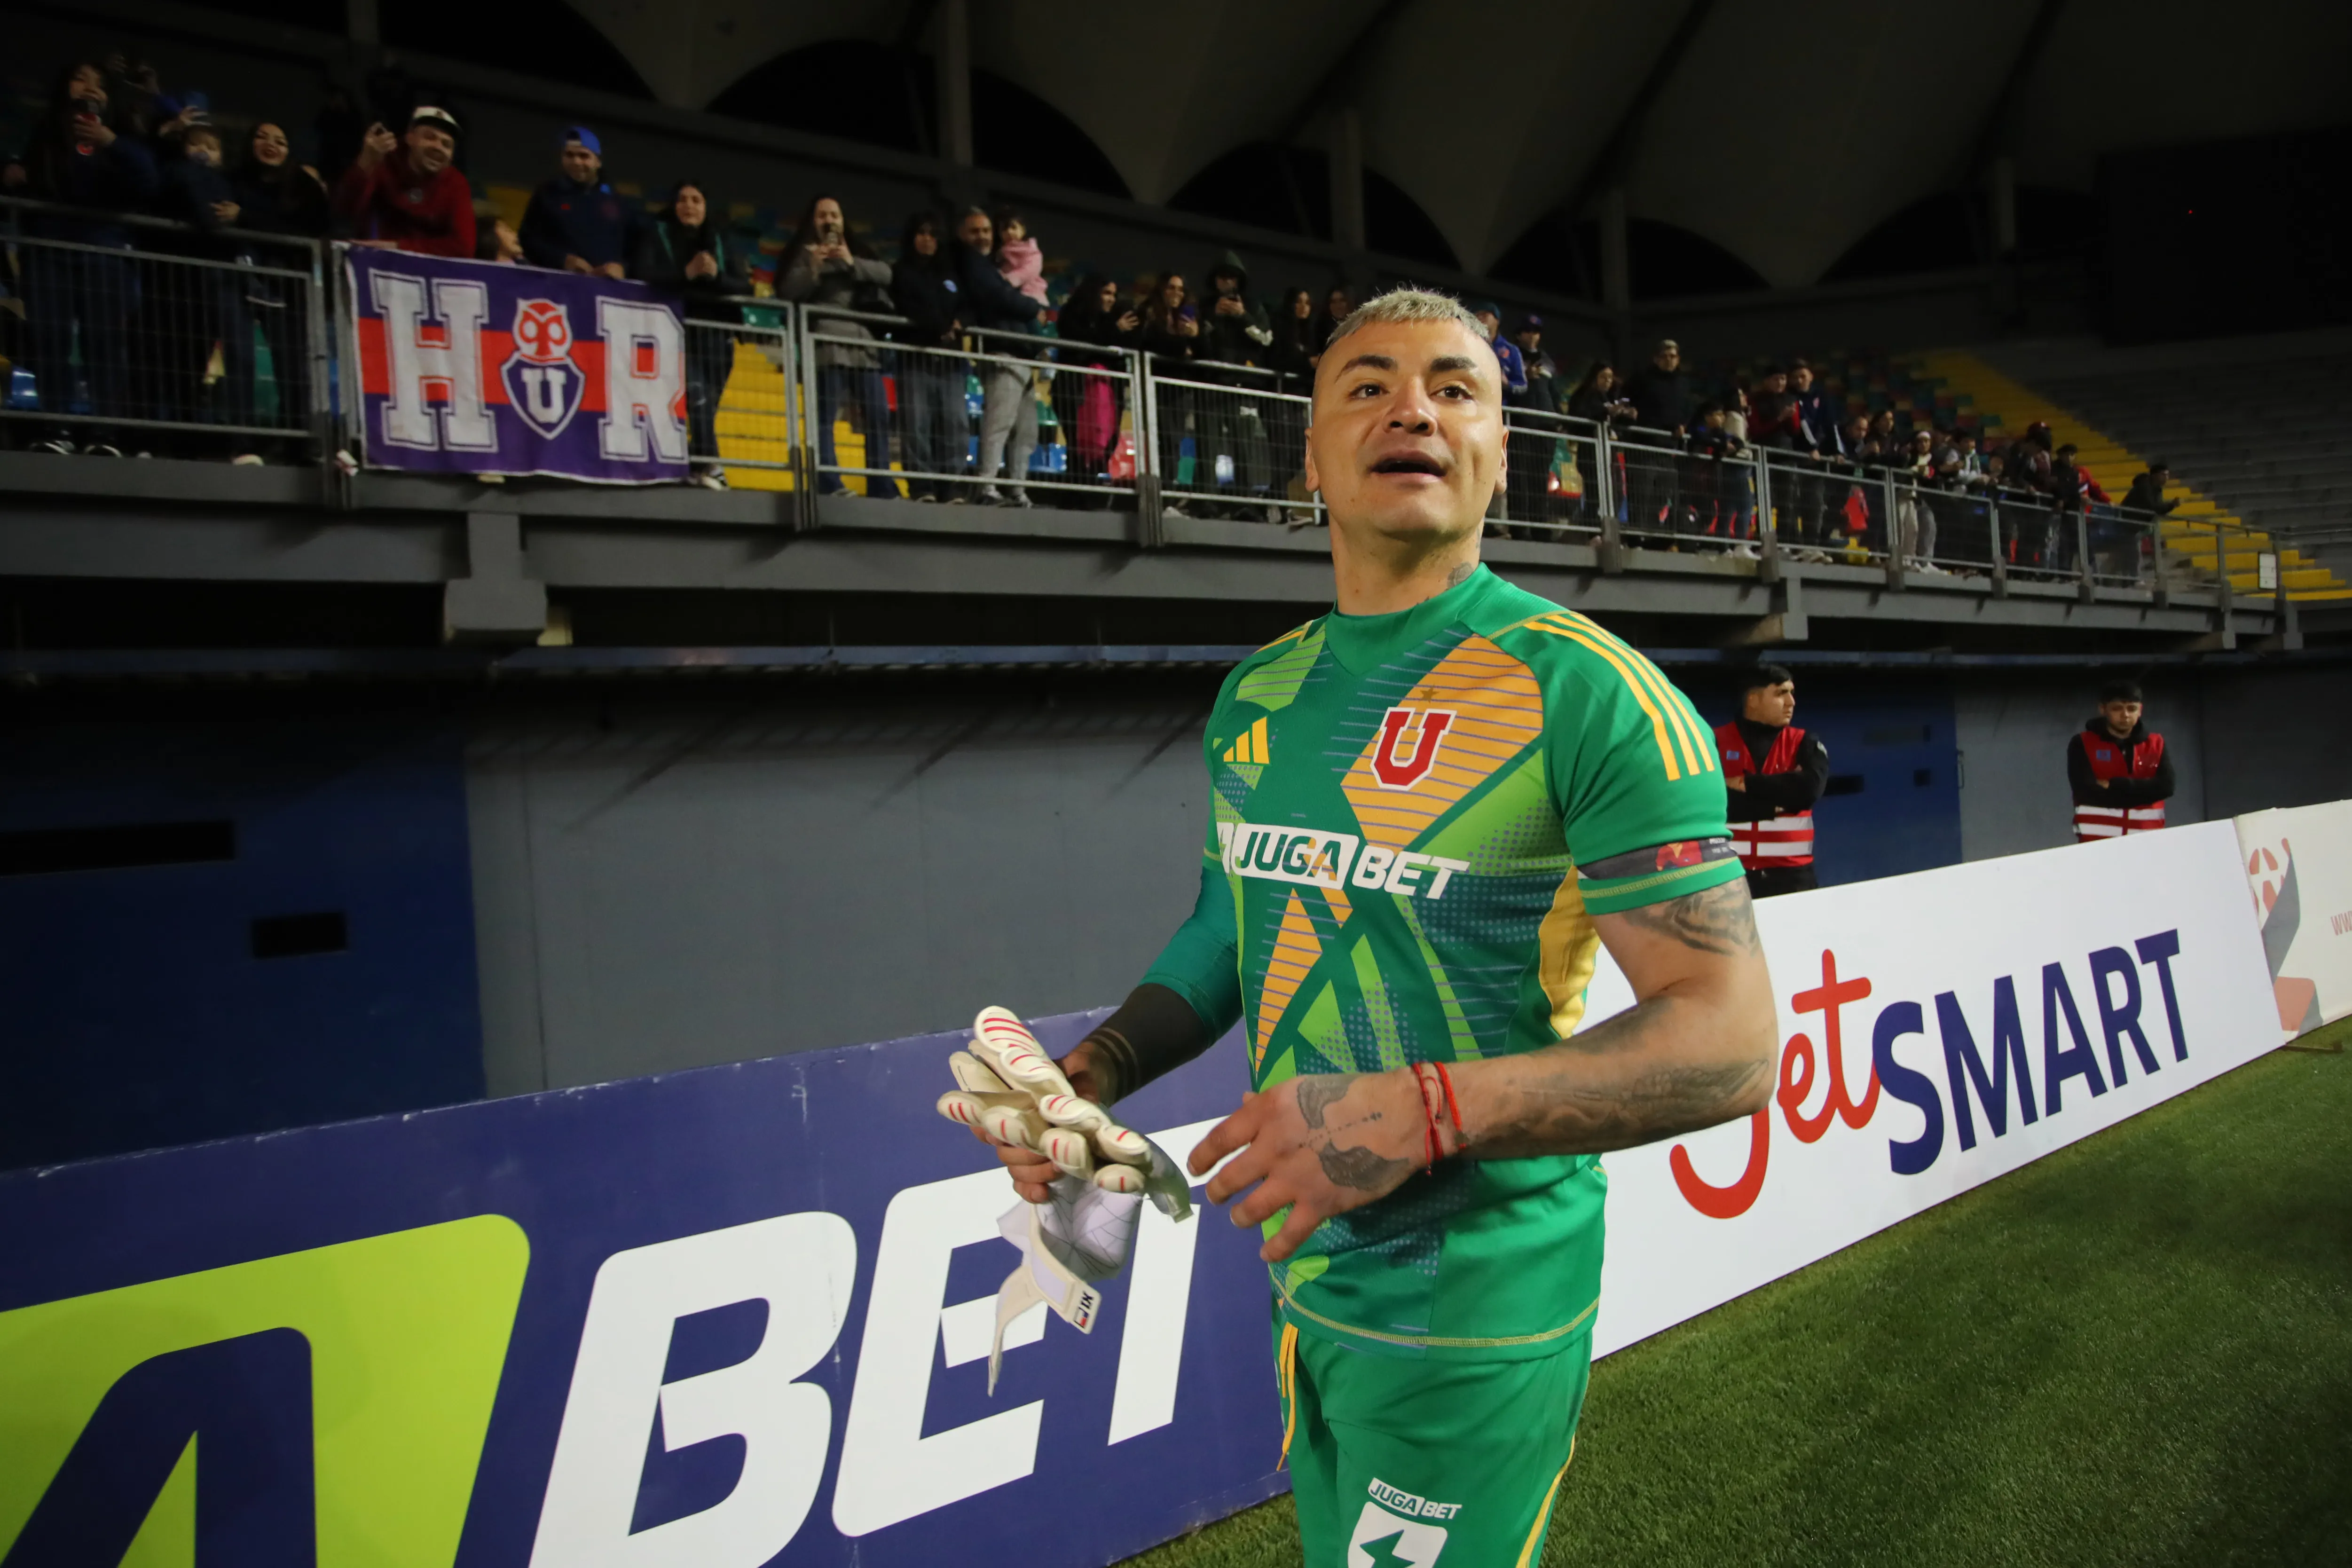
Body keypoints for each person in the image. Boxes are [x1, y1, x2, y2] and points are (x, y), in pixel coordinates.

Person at [970, 288, 1775, 1568]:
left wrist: (1427, 1108)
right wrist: (1093, 1074)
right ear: (1309, 454)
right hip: (1307, 1272)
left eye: (1456, 387)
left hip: (1475, 1300)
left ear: (1500, 451)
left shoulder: (1590, 694)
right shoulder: (1260, 690)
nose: (1414, 406)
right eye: (1369, 383)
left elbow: (1732, 1043)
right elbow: (1230, 928)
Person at [8, 60, 160, 457]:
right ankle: (54, 428)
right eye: (80, 79)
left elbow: (149, 182)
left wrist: (109, 140)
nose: (90, 89)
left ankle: (104, 434)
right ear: (65, 87)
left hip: (105, 252)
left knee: (103, 343)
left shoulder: (122, 134)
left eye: (99, 84)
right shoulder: (44, 128)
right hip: (49, 249)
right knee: (50, 339)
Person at [632, 180, 752, 489]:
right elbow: (643, 274)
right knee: (696, 397)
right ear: (674, 206)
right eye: (683, 199)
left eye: (696, 200)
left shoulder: (722, 239)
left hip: (718, 334)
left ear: (705, 207)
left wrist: (716, 275)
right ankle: (713, 465)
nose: (689, 206)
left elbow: (744, 287)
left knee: (706, 404)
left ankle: (694, 466)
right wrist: (685, 274)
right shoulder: (656, 233)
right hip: (674, 331)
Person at [779, 195, 900, 499]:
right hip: (825, 343)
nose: (829, 221)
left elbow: (887, 275)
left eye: (834, 215)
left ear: (843, 221)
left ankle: (881, 484)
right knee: (825, 415)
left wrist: (850, 262)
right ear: (813, 221)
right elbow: (788, 291)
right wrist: (815, 268)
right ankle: (828, 482)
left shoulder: (858, 252)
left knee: (877, 415)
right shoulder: (803, 254)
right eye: (822, 215)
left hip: (864, 346)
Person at [229, 120, 330, 461]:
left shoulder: (302, 185)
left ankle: (299, 442)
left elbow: (311, 229)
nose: (271, 144)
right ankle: (241, 441)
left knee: (293, 365)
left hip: (289, 283)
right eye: (262, 137)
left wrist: (245, 217)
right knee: (239, 357)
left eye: (281, 141)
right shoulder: (233, 180)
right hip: (239, 278)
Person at [953, 207, 1047, 506]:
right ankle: (986, 486)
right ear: (962, 235)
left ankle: (1017, 489)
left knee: (1026, 430)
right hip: (1002, 352)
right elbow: (997, 296)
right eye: (975, 231)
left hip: (1020, 354)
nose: (982, 237)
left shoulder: (993, 264)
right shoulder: (973, 264)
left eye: (986, 231)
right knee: (999, 424)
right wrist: (1033, 308)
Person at [1715, 665, 1829, 896]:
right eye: (1780, 693)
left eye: (1791, 692)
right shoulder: (1714, 741)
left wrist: (1746, 784)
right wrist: (1776, 805)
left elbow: (1809, 790)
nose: (1791, 702)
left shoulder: (1804, 742)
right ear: (1754, 700)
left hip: (1794, 879)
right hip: (1728, 876)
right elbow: (1711, 801)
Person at [888, 211, 972, 501]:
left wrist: (960, 323)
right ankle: (922, 486)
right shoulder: (900, 271)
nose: (928, 240)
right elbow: (907, 308)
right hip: (915, 358)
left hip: (950, 361)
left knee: (955, 423)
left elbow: (965, 306)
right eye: (922, 233)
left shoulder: (950, 274)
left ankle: (951, 485)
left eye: (933, 234)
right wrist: (939, 329)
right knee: (916, 424)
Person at [330, 104, 473, 258]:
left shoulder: (456, 183)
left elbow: (464, 248)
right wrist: (366, 163)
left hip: (427, 271)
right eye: (429, 137)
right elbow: (345, 210)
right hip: (376, 262)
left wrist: (398, 247)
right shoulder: (384, 161)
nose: (438, 147)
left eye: (447, 145)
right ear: (410, 138)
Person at [1050, 273, 1139, 497]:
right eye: (1106, 293)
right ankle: (1076, 498)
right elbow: (1082, 343)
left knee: (1105, 445)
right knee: (1078, 445)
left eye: (1114, 295)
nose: (1111, 299)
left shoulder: (1113, 320)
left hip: (1108, 396)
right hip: (1074, 390)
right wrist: (1114, 330)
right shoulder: (1074, 314)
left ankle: (1089, 495)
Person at [2069, 680, 2174, 842]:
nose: (2125, 715)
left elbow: (2166, 788)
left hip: (2147, 841)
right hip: (2096, 841)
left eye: (2132, 709)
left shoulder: (2156, 744)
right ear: (2103, 709)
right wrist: (2146, 792)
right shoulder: (2082, 743)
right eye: (2117, 708)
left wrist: (2115, 785)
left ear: (2140, 711)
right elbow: (2086, 792)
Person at [520, 126, 628, 277]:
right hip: (557, 285)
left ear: (598, 162)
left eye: (584, 156)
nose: (576, 162)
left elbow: (634, 249)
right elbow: (528, 240)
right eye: (569, 155)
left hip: (607, 289)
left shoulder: (619, 202)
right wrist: (563, 260)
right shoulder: (546, 194)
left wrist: (622, 268)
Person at [1621, 338, 1692, 537]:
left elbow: (1687, 410)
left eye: (1673, 357)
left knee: (1663, 494)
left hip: (1667, 450)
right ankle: (1637, 537)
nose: (1669, 361)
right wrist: (1628, 410)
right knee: (1641, 494)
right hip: (1643, 445)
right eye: (1665, 357)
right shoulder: (1642, 379)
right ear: (1656, 359)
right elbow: (1623, 398)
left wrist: (1682, 425)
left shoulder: (1683, 383)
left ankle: (1651, 533)